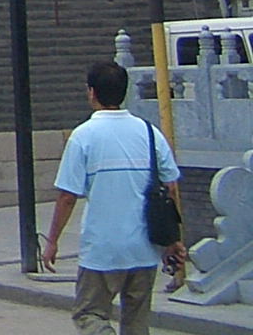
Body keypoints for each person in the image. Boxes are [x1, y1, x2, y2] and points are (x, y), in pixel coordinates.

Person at [43, 59, 183, 335]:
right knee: (137, 324)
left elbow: (67, 197)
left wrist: (52, 242)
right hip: (144, 249)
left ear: (91, 92)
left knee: (88, 314)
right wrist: (173, 240)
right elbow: (171, 187)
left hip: (102, 251)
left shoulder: (83, 136)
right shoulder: (149, 133)